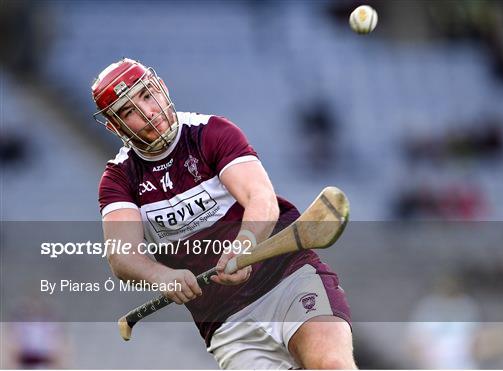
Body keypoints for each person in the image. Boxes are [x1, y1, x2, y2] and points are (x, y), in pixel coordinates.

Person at [92, 58, 355, 369]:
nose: (148, 112)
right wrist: (160, 275)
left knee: (330, 364)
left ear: (162, 87)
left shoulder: (211, 133)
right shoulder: (119, 179)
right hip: (225, 322)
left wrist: (244, 243)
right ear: (114, 126)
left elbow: (260, 198)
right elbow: (122, 256)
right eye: (129, 111)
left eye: (148, 96)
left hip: (286, 279)